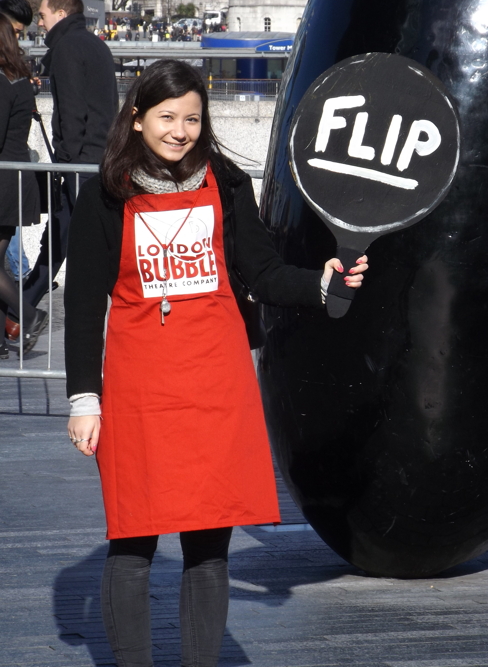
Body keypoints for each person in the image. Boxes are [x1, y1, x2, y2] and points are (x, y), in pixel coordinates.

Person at [64, 59, 369, 667]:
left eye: (192, 119)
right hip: (139, 389)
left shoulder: (227, 183)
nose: (180, 130)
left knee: (209, 546)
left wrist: (322, 284)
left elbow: (261, 273)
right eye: (167, 117)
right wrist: (83, 397)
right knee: (132, 540)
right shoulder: (106, 192)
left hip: (215, 383)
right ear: (138, 116)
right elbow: (80, 302)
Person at [21, 0, 118, 310]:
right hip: (97, 160)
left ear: (61, 14)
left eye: (43, 14)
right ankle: (21, 310)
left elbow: (72, 114)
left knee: (88, 245)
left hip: (80, 165)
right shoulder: (95, 45)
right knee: (60, 237)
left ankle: (22, 311)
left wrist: (64, 161)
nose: (40, 21)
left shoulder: (66, 49)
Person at [0, 14, 46, 359]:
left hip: (3, 182)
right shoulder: (17, 79)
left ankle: (29, 316)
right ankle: (3, 341)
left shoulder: (3, 82)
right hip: (11, 181)